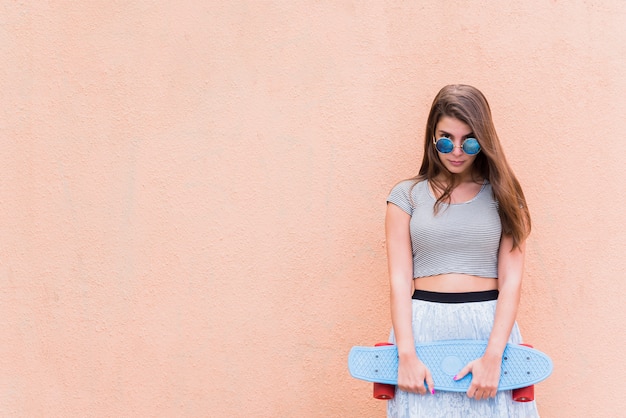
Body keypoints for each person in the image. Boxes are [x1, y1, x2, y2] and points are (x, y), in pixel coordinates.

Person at [385, 84, 540, 417]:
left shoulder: (505, 196)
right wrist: (406, 354)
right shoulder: (406, 196)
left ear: (483, 141)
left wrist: (494, 356)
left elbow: (512, 281)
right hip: (423, 329)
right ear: (431, 137)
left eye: (469, 141)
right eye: (445, 139)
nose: (456, 151)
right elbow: (399, 281)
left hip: (488, 330)